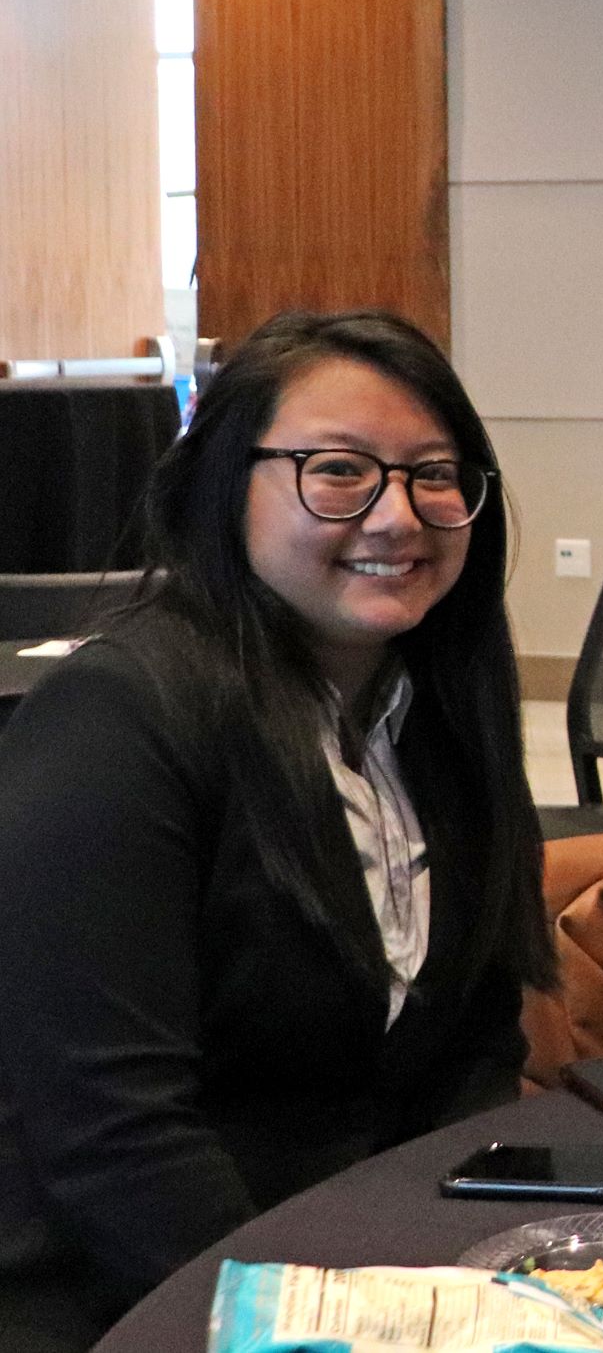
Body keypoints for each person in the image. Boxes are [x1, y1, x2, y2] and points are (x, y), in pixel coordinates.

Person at [0, 310, 551, 1347]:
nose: (398, 516)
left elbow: (473, 1053)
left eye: (436, 474)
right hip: (127, 1302)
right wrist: (314, 1326)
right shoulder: (118, 720)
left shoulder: (434, 720)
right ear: (223, 484)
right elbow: (117, 1137)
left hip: (356, 1282)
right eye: (338, 470)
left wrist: (469, 1287)